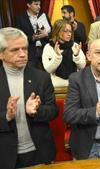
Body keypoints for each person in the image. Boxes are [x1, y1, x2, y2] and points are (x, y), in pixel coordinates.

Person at [0, 27, 57, 169]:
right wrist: (6, 116)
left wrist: (36, 111)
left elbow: (53, 110)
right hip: (5, 156)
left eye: (24, 49)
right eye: (15, 50)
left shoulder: (41, 77)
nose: (22, 54)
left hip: (39, 152)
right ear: (1, 54)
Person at [42, 19, 86, 87]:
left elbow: (82, 66)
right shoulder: (49, 47)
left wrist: (76, 56)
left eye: (70, 31)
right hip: (55, 85)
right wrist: (57, 56)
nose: (69, 34)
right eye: (65, 31)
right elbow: (48, 70)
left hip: (74, 84)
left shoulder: (75, 45)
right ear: (57, 31)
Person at [14, 0, 51, 69]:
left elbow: (51, 33)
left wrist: (46, 35)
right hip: (29, 52)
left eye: (39, 5)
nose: (39, 7)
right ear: (28, 4)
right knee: (31, 74)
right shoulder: (20, 18)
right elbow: (18, 37)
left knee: (47, 74)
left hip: (45, 50)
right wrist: (32, 38)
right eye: (36, 4)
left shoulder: (43, 16)